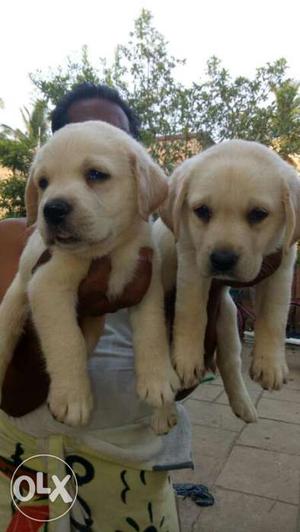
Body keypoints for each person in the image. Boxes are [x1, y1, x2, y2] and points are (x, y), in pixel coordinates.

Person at [0, 83, 191, 531]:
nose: (56, 200)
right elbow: (10, 396)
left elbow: (180, 378)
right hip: (29, 459)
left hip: (135, 466)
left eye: (96, 174)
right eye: (45, 181)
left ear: (140, 179)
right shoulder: (15, 241)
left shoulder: (160, 242)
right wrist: (82, 317)